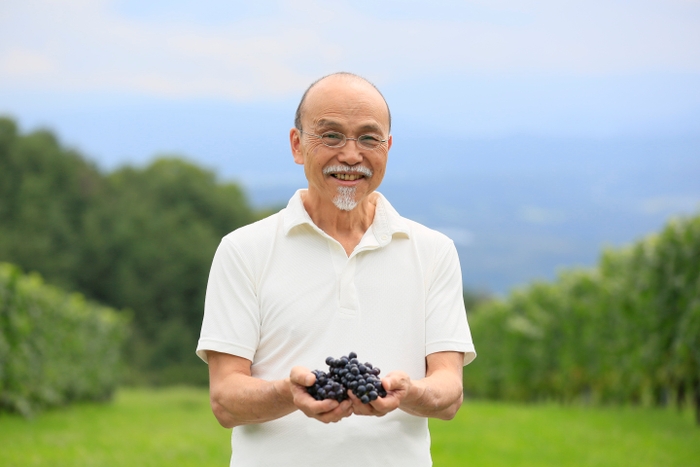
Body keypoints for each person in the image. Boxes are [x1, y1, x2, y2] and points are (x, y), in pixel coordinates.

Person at [196, 72, 476, 466]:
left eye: (368, 138)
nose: (350, 155)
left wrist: (407, 392)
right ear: (297, 145)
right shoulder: (243, 250)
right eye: (330, 136)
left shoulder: (434, 251)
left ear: (388, 147)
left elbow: (449, 393)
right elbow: (225, 400)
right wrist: (288, 393)